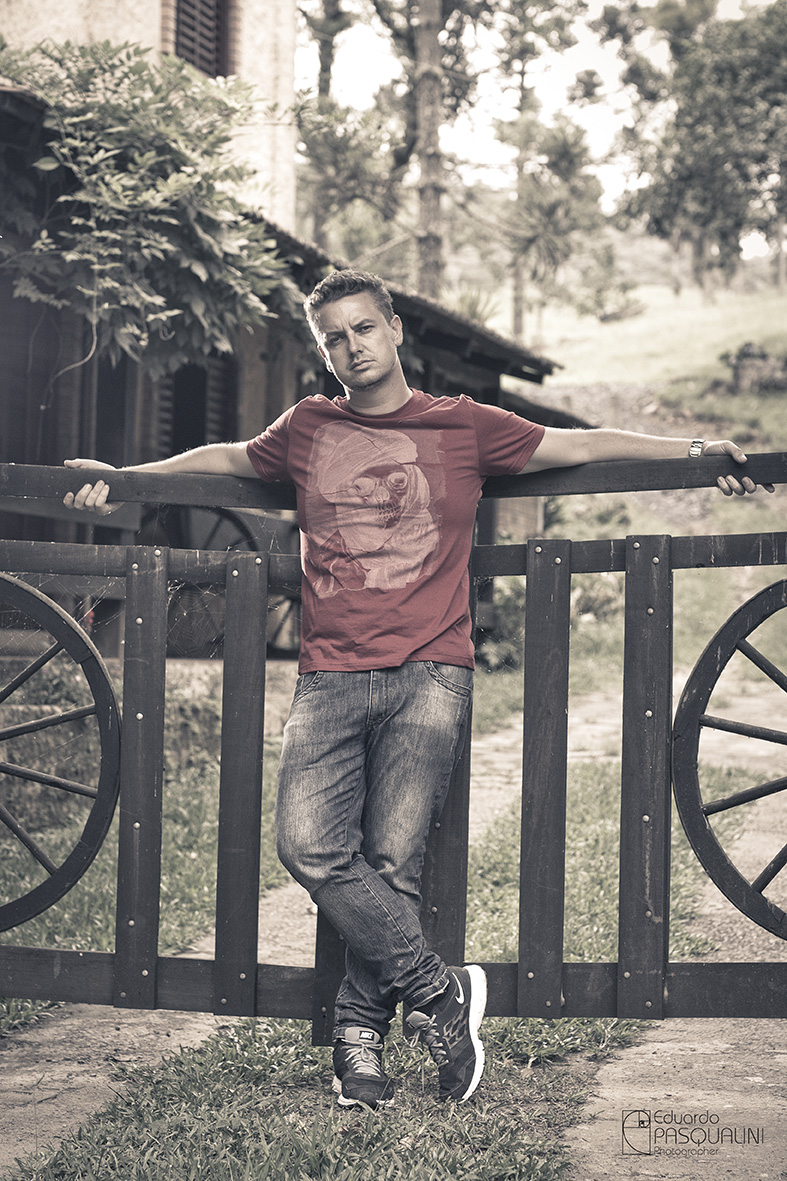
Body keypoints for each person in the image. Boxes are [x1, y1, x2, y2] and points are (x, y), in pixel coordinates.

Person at [63, 269, 772, 1110]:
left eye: (363, 328)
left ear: (394, 330)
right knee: (309, 846)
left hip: (430, 673)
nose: (350, 347)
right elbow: (222, 457)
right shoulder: (308, 427)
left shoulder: (462, 426)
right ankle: (441, 994)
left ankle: (357, 1044)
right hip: (330, 674)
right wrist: (128, 475)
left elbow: (579, 446)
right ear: (323, 350)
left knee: (392, 864)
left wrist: (693, 455)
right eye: (333, 336)